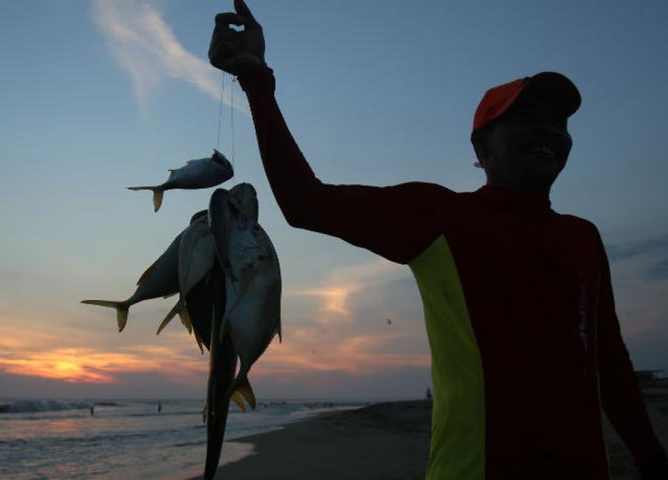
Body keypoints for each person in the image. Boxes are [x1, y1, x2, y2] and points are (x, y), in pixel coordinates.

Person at [209, 1, 668, 478]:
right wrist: (257, 82)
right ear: (481, 147)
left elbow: (609, 361)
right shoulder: (439, 217)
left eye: (559, 122)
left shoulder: (584, 239)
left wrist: (650, 455)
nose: (549, 131)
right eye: (529, 117)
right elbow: (305, 203)